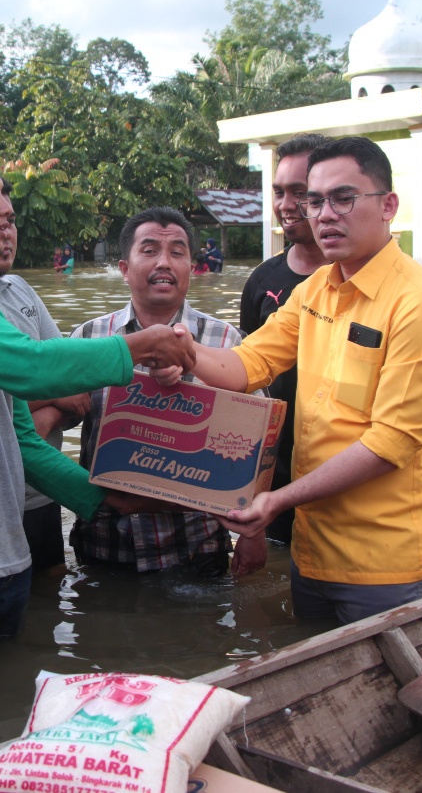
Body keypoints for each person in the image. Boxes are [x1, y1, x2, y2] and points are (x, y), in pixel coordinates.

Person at [0, 141, 196, 675]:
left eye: (6, 194)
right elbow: (29, 366)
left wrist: (100, 499)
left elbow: (19, 436)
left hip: (4, 555)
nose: (7, 208)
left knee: (4, 707)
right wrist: (141, 346)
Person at [157, 137, 422, 624]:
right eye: (315, 201)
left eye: (343, 198)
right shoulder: (317, 289)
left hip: (386, 560)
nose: (324, 214)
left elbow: (392, 442)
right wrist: (185, 351)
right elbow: (248, 363)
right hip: (313, 548)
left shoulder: (420, 302)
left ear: (388, 205)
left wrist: (278, 500)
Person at [69, 207, 266, 578]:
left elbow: (256, 447)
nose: (164, 263)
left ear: (192, 267)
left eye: (177, 253)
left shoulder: (227, 342)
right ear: (124, 269)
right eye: (149, 251)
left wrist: (254, 533)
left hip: (197, 543)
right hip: (106, 541)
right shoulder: (88, 338)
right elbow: (58, 416)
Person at [0, 226, 90, 571]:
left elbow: (76, 390)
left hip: (40, 495)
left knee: (45, 606)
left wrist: (44, 414)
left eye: (11, 223)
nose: (6, 235)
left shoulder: (19, 289)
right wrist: (50, 404)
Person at [239, 133, 330, 544]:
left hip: (344, 470)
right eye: (279, 191)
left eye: (299, 191)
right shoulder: (263, 280)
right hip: (273, 471)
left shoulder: (370, 285)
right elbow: (248, 381)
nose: (285, 205)